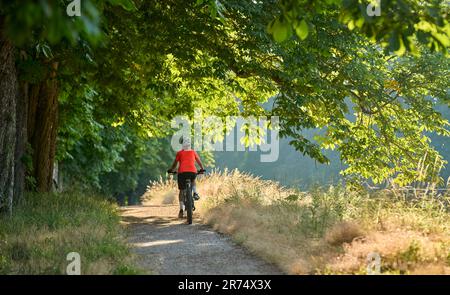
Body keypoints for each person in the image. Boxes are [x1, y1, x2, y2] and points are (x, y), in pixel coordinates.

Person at [168, 137, 205, 218]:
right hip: (192, 172)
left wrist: (171, 170)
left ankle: (181, 210)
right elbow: (199, 162)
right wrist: (202, 169)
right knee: (193, 179)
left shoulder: (179, 153)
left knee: (181, 191)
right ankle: (195, 192)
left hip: (182, 173)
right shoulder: (193, 152)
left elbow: (175, 164)